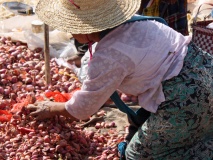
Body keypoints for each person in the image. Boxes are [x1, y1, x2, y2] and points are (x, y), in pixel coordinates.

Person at [27, 0, 213, 159]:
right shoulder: (142, 22)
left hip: (187, 98)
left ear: (84, 30)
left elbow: (84, 109)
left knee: (137, 155)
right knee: (199, 126)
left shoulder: (108, 55)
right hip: (205, 69)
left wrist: (52, 108)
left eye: (70, 27)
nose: (68, 32)